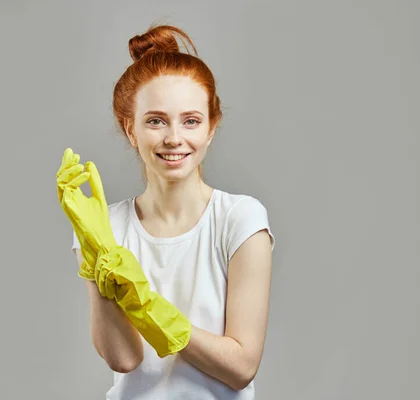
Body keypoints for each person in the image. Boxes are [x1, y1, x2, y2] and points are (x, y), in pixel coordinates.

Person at [56, 24, 275, 400]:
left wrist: (151, 308)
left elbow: (241, 367)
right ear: (130, 130)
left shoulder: (240, 220)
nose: (174, 138)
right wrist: (99, 254)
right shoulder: (104, 226)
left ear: (211, 128)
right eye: (155, 120)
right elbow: (123, 359)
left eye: (191, 120)